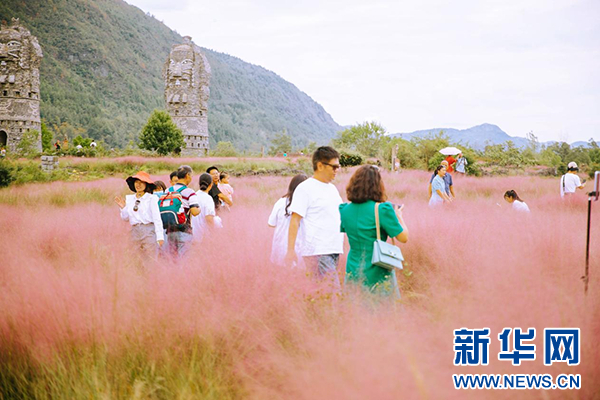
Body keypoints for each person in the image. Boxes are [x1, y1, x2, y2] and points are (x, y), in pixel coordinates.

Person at [339, 165, 408, 296]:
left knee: (355, 303)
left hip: (353, 266)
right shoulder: (382, 209)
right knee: (380, 305)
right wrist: (399, 217)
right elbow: (403, 237)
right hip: (377, 267)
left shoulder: (345, 210)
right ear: (377, 185)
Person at [285, 146, 344, 291]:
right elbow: (295, 220)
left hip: (333, 249)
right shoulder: (305, 188)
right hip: (317, 251)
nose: (337, 170)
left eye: (338, 167)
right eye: (334, 167)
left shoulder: (332, 189)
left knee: (322, 293)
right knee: (333, 293)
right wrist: (290, 250)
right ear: (320, 166)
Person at [114, 171, 164, 259]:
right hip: (134, 231)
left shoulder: (151, 198)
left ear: (146, 184)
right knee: (135, 258)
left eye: (141, 182)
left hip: (148, 230)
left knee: (150, 258)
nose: (138, 184)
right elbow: (125, 218)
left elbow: (157, 218)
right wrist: (123, 208)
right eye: (136, 182)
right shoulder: (130, 199)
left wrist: (160, 237)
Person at [268, 174, 308, 267]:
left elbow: (271, 223)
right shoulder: (307, 204)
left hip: (280, 247)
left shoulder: (280, 202)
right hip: (301, 249)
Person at [166, 165, 200, 257]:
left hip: (169, 231)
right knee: (183, 260)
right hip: (184, 231)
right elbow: (194, 212)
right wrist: (199, 208)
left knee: (172, 259)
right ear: (187, 175)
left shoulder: (167, 190)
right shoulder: (190, 192)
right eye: (191, 176)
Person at [191, 173, 218, 242]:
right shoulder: (208, 198)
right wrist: (214, 232)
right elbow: (209, 218)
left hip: (193, 234)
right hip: (204, 236)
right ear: (211, 184)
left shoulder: (194, 195)